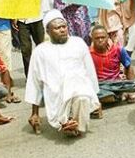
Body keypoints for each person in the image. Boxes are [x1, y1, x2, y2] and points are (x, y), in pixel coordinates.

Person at [25, 9, 101, 137]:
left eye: (64, 26)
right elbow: (34, 82)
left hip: (80, 90)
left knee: (82, 94)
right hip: (55, 96)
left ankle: (74, 126)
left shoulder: (78, 43)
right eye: (57, 28)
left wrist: (96, 100)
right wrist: (35, 113)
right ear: (48, 31)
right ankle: (68, 123)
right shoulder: (40, 51)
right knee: (64, 108)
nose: (62, 30)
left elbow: (90, 71)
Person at [90, 25, 135, 104]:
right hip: (100, 85)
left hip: (116, 83)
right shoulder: (88, 53)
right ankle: (117, 96)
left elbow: (128, 66)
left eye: (103, 37)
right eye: (97, 38)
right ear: (92, 39)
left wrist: (131, 87)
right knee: (89, 93)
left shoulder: (118, 49)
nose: (100, 40)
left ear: (108, 37)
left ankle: (119, 95)